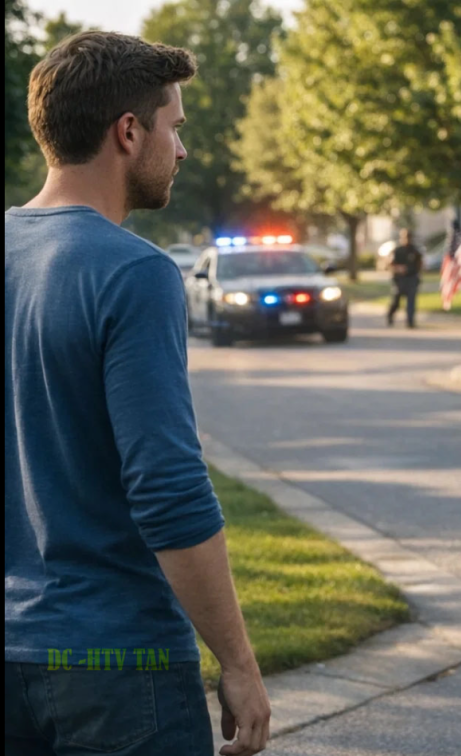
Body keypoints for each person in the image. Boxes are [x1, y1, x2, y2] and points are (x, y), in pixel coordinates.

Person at [5, 32, 270, 756]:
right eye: (174, 127)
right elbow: (168, 488)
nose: (180, 151)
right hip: (119, 666)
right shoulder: (135, 272)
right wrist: (239, 664)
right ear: (129, 132)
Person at [387, 228, 423, 328]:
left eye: (409, 237)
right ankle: (390, 314)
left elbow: (419, 265)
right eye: (405, 237)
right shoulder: (397, 251)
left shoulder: (415, 251)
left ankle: (410, 321)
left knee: (411, 301)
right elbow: (390, 265)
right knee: (396, 301)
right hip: (400, 280)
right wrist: (399, 269)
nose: (407, 239)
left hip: (411, 279)